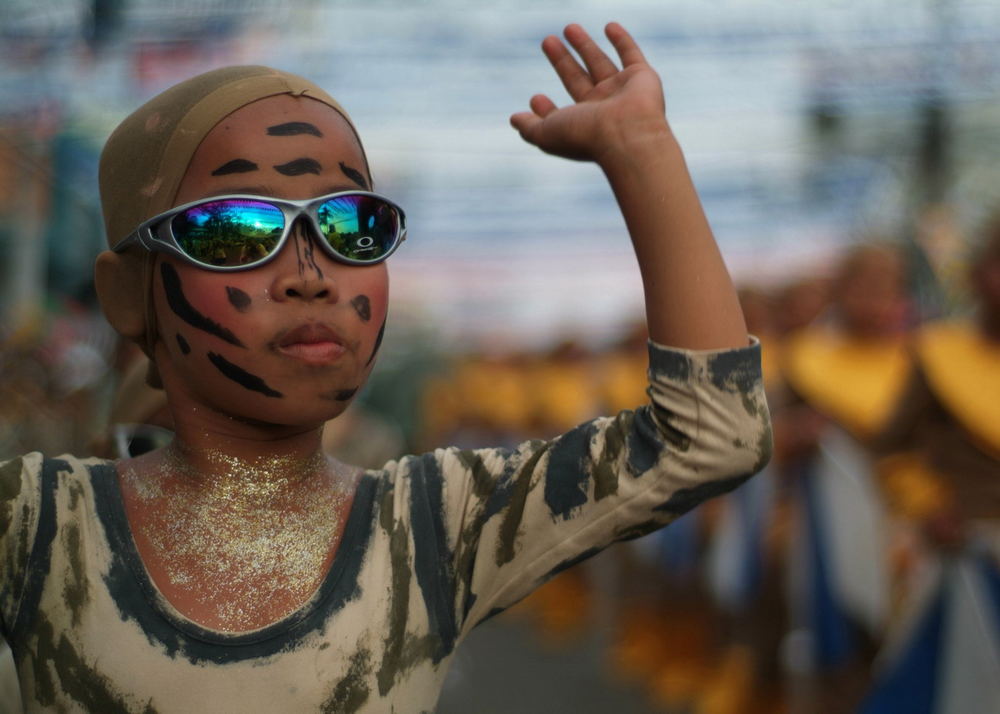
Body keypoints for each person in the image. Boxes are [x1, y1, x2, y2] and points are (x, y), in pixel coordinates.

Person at [0, 23, 770, 713]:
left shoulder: (431, 526)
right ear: (127, 292)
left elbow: (712, 435)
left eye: (352, 227)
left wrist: (644, 154)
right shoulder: (35, 525)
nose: (311, 271)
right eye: (236, 229)